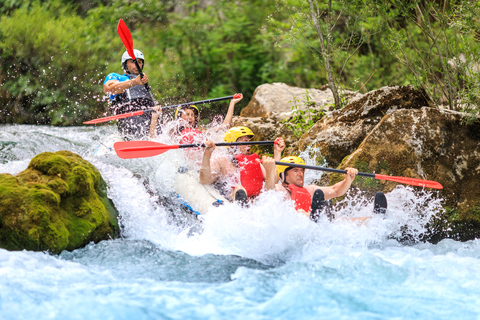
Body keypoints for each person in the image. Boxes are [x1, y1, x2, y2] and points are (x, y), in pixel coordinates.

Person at [275, 156, 387, 223]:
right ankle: (315, 215)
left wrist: (348, 179)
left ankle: (375, 219)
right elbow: (267, 190)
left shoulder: (310, 189)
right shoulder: (278, 189)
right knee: (300, 212)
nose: (300, 174)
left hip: (319, 222)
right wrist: (270, 169)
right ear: (283, 175)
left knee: (343, 221)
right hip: (300, 223)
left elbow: (335, 190)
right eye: (295, 171)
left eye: (302, 171)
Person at [199, 126, 285, 205]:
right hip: (230, 202)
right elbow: (205, 180)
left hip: (254, 202)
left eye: (249, 142)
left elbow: (273, 181)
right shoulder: (221, 160)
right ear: (232, 145)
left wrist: (277, 153)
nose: (249, 145)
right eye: (245, 141)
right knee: (239, 189)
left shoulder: (253, 161)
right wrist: (207, 154)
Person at [103, 49, 162, 140]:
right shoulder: (116, 77)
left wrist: (156, 113)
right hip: (128, 130)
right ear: (124, 65)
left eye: (139, 62)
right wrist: (134, 82)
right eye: (133, 62)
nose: (137, 64)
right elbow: (108, 89)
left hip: (149, 132)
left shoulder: (144, 86)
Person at [175, 94, 243, 165]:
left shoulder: (201, 132)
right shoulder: (176, 134)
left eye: (192, 115)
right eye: (187, 114)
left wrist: (232, 103)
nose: (190, 117)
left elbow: (224, 126)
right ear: (180, 118)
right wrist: (161, 116)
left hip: (200, 164)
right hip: (185, 166)